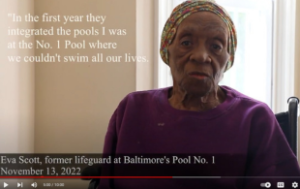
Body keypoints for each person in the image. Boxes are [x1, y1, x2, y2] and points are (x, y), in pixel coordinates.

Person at [97, 0, 300, 188]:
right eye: (186, 42)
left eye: (216, 46)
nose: (201, 56)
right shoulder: (132, 109)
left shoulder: (255, 118)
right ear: (167, 49)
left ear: (229, 58)